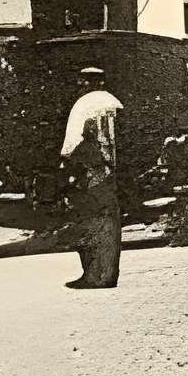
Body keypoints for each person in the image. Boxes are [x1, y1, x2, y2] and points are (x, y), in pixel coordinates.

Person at [58, 64, 123, 288]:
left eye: (84, 81)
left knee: (90, 223)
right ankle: (107, 273)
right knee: (109, 223)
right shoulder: (114, 103)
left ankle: (94, 275)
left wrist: (69, 168)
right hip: (110, 173)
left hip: (91, 173)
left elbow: (75, 144)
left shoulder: (85, 105)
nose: (81, 85)